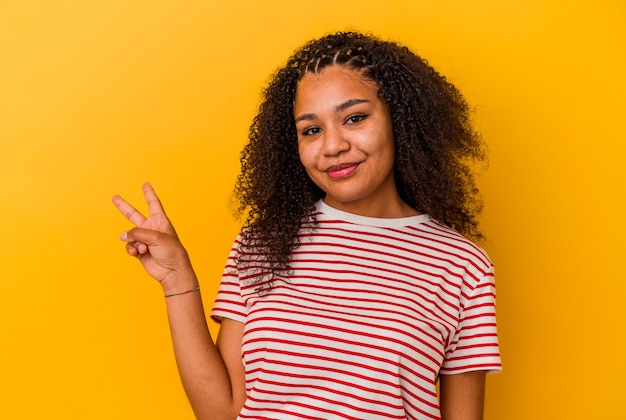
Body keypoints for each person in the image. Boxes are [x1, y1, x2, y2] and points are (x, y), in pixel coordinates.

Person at [112, 31, 501, 420]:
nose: (332, 146)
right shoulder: (264, 242)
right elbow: (222, 413)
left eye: (355, 118)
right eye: (311, 130)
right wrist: (177, 280)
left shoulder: (461, 265)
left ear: (399, 120)